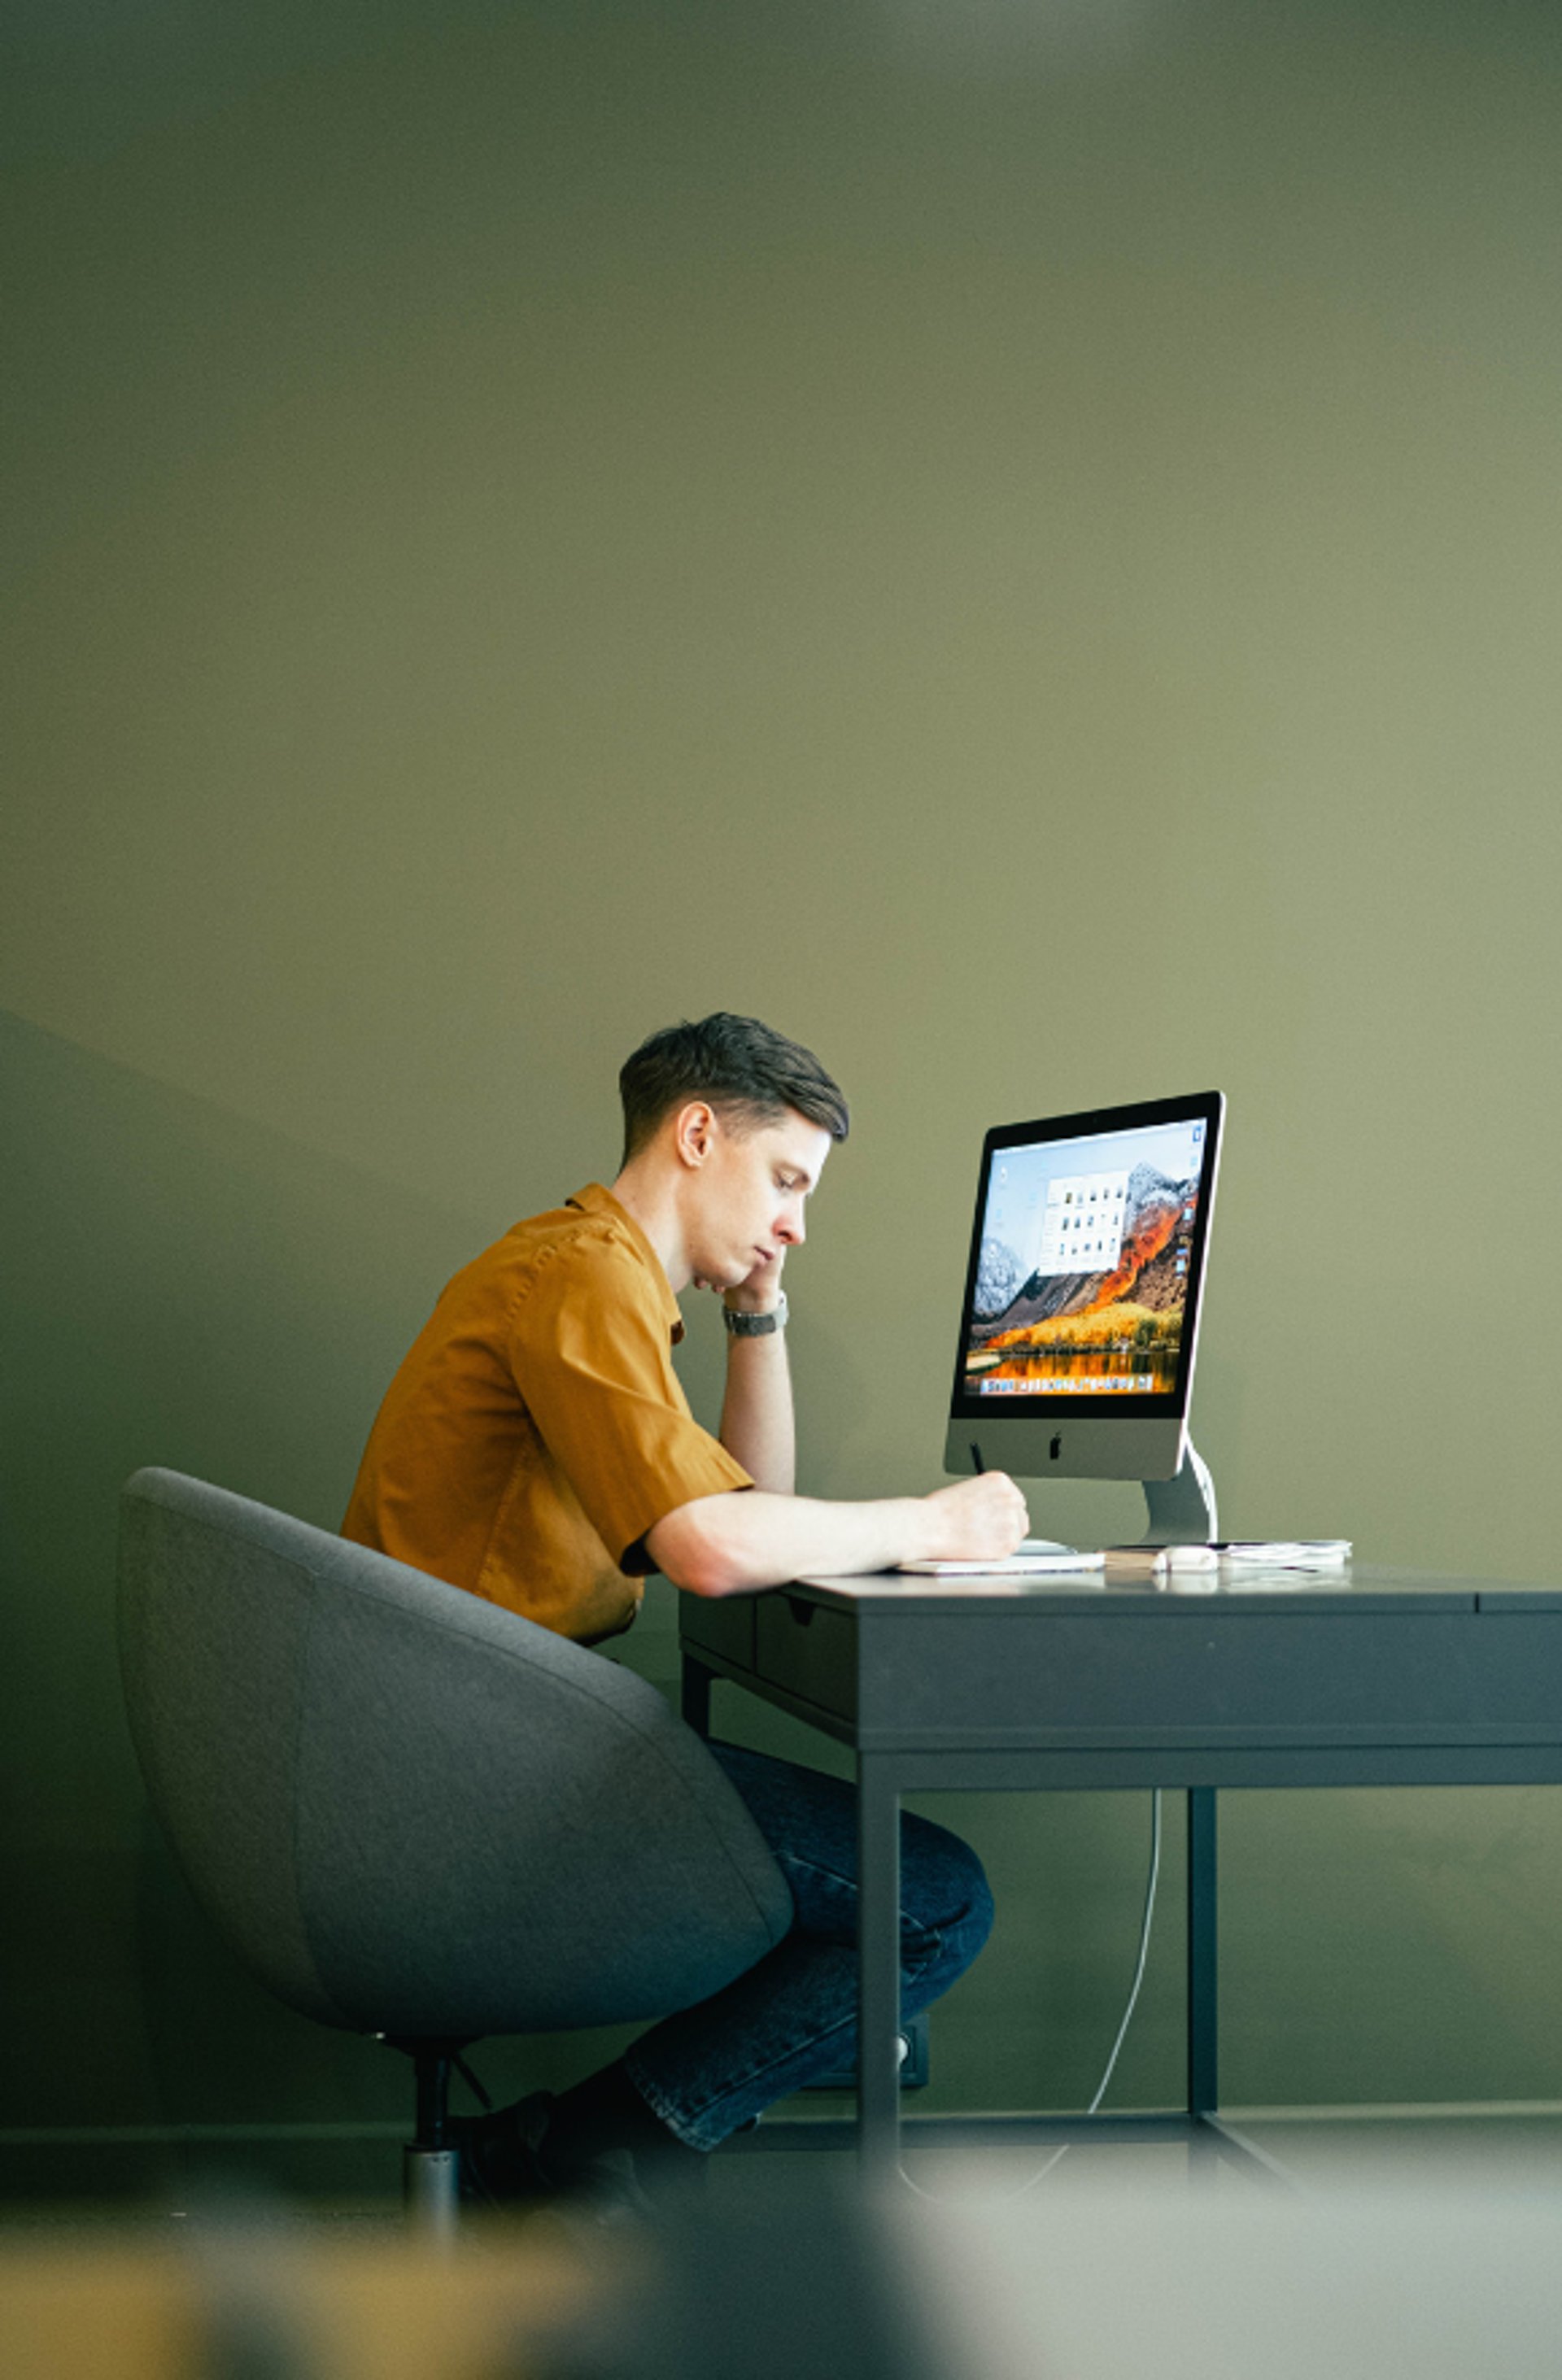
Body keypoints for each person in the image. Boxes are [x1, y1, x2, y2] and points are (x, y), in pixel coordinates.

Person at [343, 1013, 1028, 2206]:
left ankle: (584, 2149)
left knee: (894, 1889)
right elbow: (712, 1548)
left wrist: (757, 1314)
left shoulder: (588, 1272)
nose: (796, 1222)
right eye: (785, 1180)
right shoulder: (581, 1278)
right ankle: (574, 2157)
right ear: (697, 1132)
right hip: (476, 1770)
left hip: (464, 1742)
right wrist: (930, 1523)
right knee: (936, 1898)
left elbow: (742, 1506)